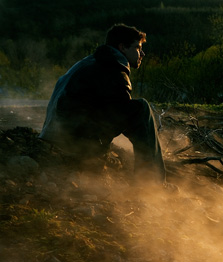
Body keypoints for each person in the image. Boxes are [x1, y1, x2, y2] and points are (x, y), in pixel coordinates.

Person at [40, 23, 169, 186]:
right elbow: (125, 116)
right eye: (137, 47)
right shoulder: (113, 68)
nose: (142, 53)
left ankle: (98, 161)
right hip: (74, 144)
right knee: (142, 110)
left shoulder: (91, 62)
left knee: (127, 110)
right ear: (122, 47)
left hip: (56, 140)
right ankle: (152, 183)